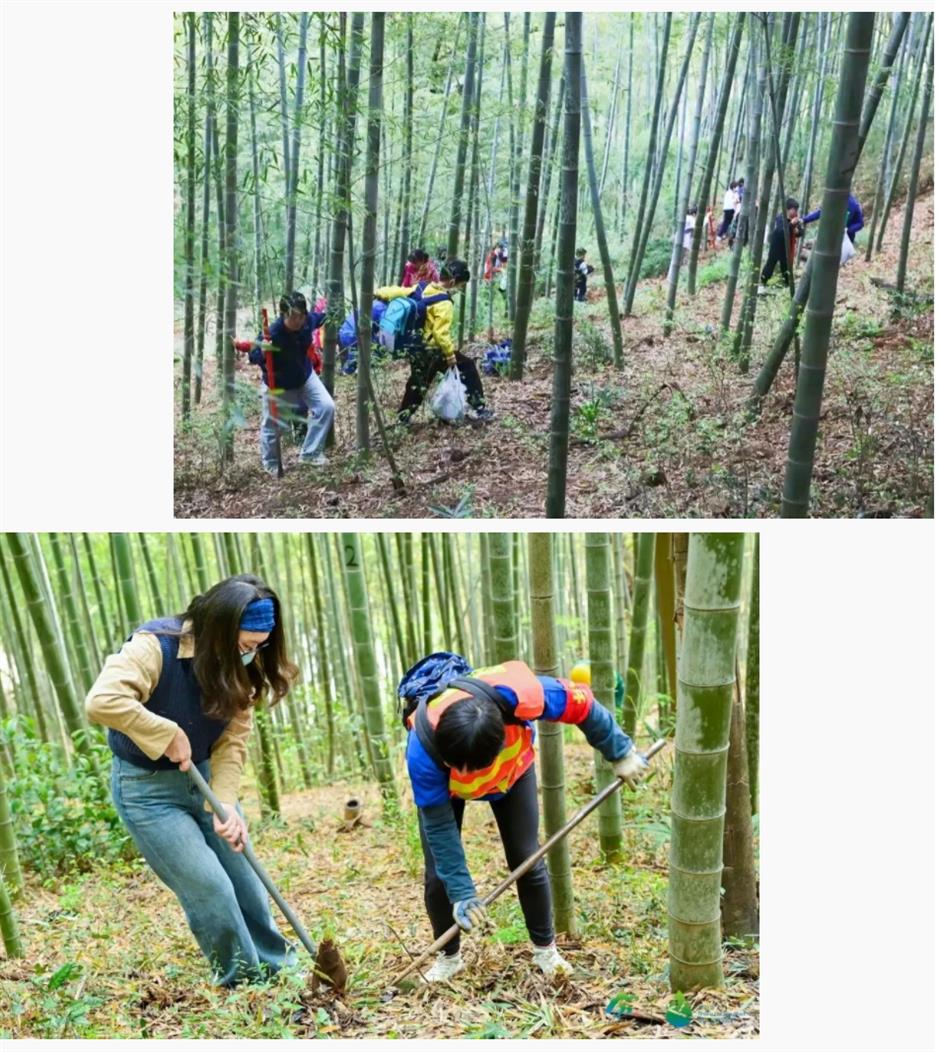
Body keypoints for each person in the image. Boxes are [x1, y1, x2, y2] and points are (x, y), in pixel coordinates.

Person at [85, 575, 299, 988]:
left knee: (245, 880)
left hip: (203, 777)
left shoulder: (243, 669)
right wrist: (162, 731)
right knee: (211, 887)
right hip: (147, 792)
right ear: (218, 631)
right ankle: (243, 982)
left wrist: (226, 804)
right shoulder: (155, 646)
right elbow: (102, 700)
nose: (250, 656)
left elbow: (233, 741)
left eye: (259, 647)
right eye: (244, 645)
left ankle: (279, 970)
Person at [398, 652, 648, 983]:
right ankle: (449, 958)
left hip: (512, 775)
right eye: (460, 766)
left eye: (474, 767)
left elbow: (582, 703)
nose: (468, 773)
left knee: (526, 859)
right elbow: (440, 829)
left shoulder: (520, 693)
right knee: (437, 877)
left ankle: (546, 951)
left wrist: (620, 751)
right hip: (448, 791)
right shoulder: (422, 747)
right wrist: (462, 893)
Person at [375, 259, 494, 426]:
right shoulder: (445, 303)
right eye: (460, 286)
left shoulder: (423, 287)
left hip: (416, 348)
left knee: (417, 382)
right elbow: (440, 333)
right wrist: (450, 354)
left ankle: (403, 418)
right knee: (467, 367)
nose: (459, 289)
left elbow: (398, 291)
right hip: (434, 350)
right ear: (453, 282)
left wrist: (379, 292)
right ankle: (480, 408)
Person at [246, 291, 335, 475]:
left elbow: (320, 318)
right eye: (294, 317)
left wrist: (333, 313)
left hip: (305, 376)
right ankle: (271, 463)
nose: (299, 320)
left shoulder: (307, 321)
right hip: (279, 385)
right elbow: (253, 354)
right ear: (284, 315)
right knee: (273, 426)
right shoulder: (273, 332)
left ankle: (309, 454)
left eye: (302, 315)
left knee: (326, 407)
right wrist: (262, 352)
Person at [761, 197, 803, 287]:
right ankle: (763, 281)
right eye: (794, 209)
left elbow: (800, 232)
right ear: (788, 209)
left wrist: (797, 231)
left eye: (796, 210)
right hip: (777, 245)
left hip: (787, 247)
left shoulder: (795, 219)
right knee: (771, 263)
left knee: (786, 266)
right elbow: (781, 231)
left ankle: (787, 284)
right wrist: (791, 224)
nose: (796, 212)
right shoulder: (780, 218)